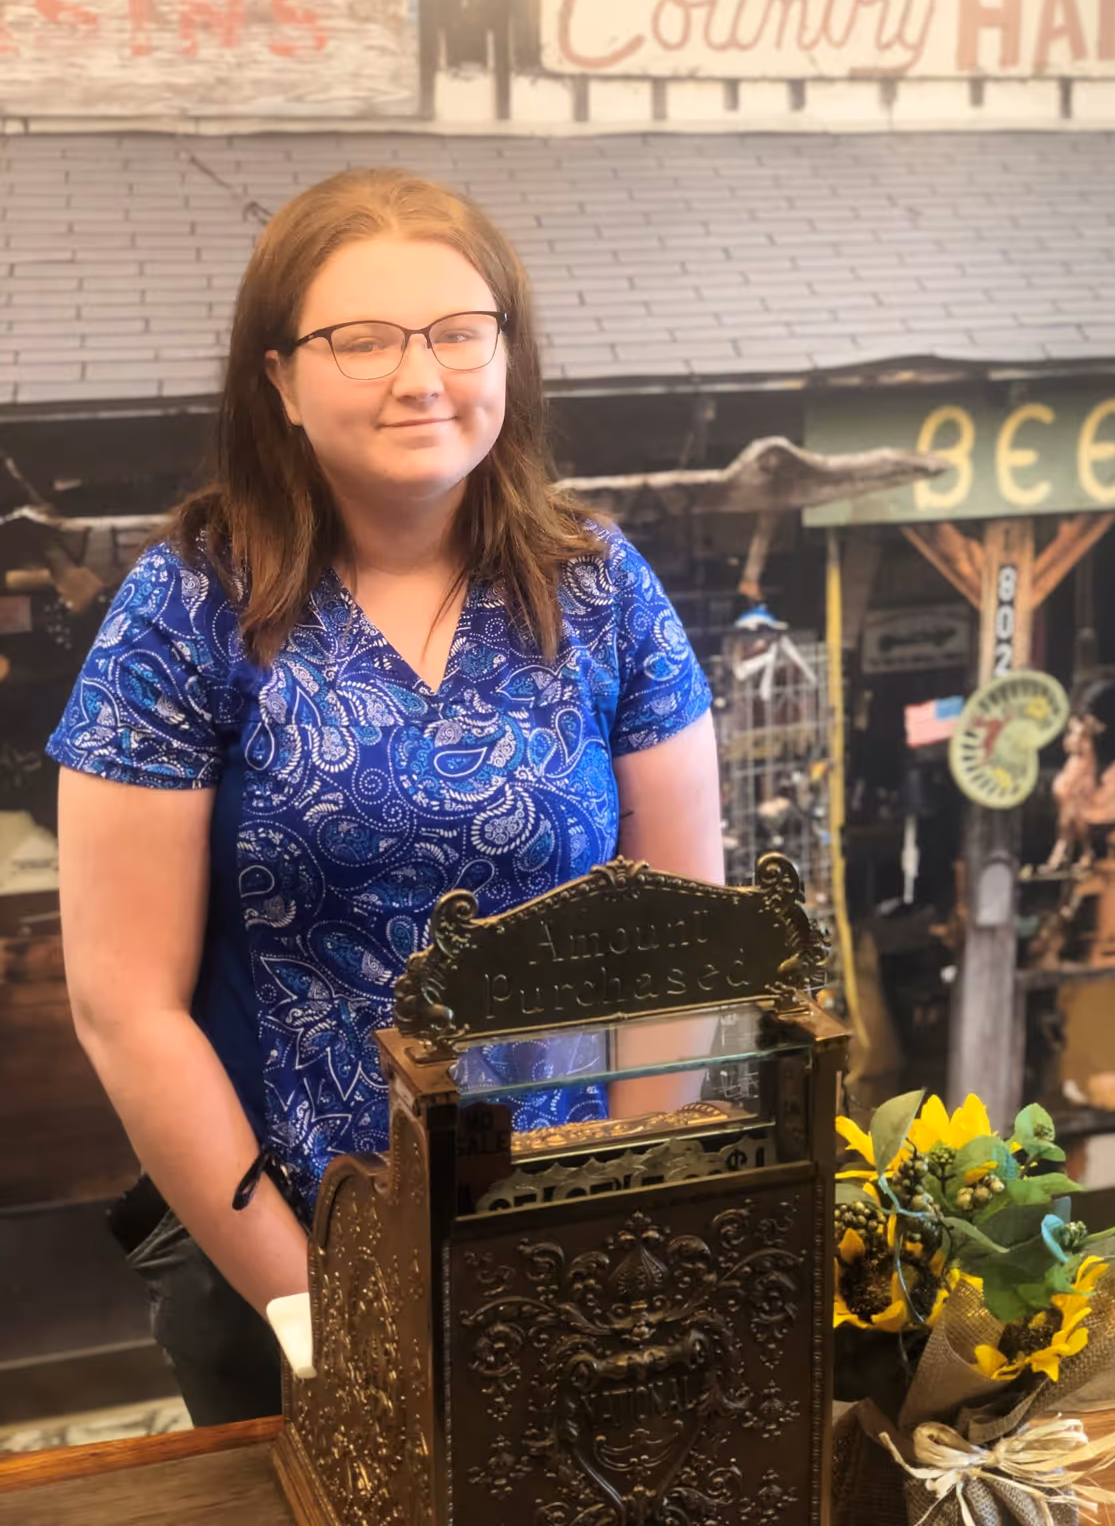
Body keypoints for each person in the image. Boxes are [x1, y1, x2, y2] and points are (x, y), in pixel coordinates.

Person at [48, 168, 723, 1425]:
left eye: (460, 332)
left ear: (507, 353)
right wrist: (325, 1314)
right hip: (280, 1252)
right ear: (280, 380)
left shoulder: (602, 589)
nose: (421, 377)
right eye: (361, 340)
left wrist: (615, 1213)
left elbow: (679, 945)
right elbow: (123, 1005)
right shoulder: (186, 608)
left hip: (561, 1243)